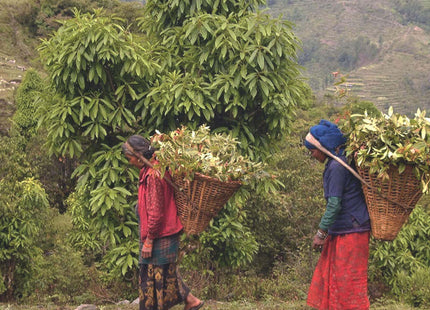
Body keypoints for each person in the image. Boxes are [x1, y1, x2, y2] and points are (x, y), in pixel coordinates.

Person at [122, 135, 204, 310]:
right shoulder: (151, 169)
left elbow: (157, 212)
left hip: (161, 232)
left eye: (129, 158)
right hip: (162, 231)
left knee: (157, 277)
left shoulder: (154, 174)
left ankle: (189, 301)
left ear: (138, 155)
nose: (130, 162)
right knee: (166, 273)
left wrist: (149, 240)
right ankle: (191, 300)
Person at [304, 120, 371, 310]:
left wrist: (320, 234)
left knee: (347, 282)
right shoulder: (338, 162)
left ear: (322, 147)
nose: (312, 154)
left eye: (312, 150)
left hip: (352, 229)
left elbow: (334, 204)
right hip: (345, 229)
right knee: (336, 279)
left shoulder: (337, 167)